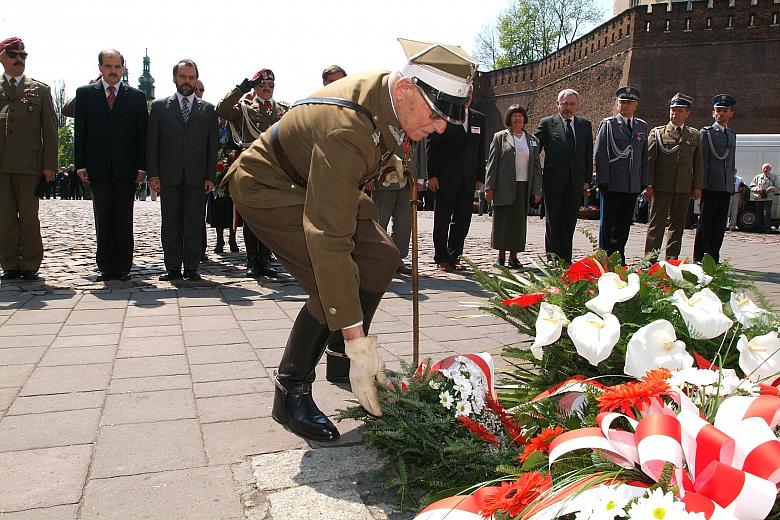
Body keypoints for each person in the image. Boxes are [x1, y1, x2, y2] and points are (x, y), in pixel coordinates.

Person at [222, 38, 475, 442]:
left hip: (312, 177)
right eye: (437, 114)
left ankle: (340, 356)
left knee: (382, 257)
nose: (442, 127)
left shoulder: (390, 93)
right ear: (408, 89)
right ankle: (291, 390)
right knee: (332, 281)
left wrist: (392, 162)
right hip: (268, 185)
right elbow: (329, 240)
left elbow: (376, 142)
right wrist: (363, 344)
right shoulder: (348, 131)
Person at [74, 49, 147, 282]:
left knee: (124, 217)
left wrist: (142, 167)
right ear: (100, 68)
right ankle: (105, 264)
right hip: (98, 167)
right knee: (103, 215)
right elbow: (81, 132)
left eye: (117, 67)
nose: (113, 71)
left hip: (127, 168)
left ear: (123, 68)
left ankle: (124, 265)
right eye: (108, 66)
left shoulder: (136, 96)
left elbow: (141, 135)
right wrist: (80, 165)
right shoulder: (85, 94)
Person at [147, 59, 217, 281]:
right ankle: (173, 267)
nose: (187, 82)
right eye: (183, 77)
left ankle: (192, 267)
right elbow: (152, 144)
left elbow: (211, 146)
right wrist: (153, 174)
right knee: (171, 223)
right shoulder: (159, 107)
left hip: (197, 176)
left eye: (191, 77)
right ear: (175, 78)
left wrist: (210, 176)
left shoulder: (207, 110)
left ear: (196, 79)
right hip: (169, 174)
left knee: (194, 222)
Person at [216, 68, 286, 278]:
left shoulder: (282, 111)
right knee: (251, 216)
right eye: (262, 86)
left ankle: (265, 259)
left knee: (270, 216)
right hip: (252, 166)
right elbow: (222, 109)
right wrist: (241, 88)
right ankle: (252, 260)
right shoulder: (245, 109)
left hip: (274, 168)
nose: (266, 89)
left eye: (270, 86)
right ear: (255, 88)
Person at [0, 37, 57, 281]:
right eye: (13, 54)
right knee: (4, 216)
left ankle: (31, 262)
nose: (19, 59)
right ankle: (9, 263)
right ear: (2, 57)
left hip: (29, 165)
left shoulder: (39, 90)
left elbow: (51, 131)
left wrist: (49, 166)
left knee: (29, 216)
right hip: (1, 164)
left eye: (23, 55)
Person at [426, 85, 485, 272]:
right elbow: (432, 146)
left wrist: (480, 176)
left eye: (470, 94)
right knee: (442, 219)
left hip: (468, 178)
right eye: (464, 93)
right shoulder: (445, 115)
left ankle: (455, 255)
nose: (467, 97)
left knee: (463, 220)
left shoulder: (478, 118)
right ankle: (441, 257)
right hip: (445, 177)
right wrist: (432, 175)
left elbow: (481, 148)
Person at [534, 88, 593, 264]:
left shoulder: (584, 125)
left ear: (577, 105)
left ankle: (566, 257)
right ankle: (552, 256)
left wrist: (586, 180)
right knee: (553, 220)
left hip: (575, 182)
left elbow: (587, 154)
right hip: (553, 181)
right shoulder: (547, 123)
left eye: (572, 104)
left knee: (569, 221)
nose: (568, 107)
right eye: (565, 103)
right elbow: (535, 150)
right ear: (558, 104)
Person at [643, 93, 704, 261]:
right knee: (657, 225)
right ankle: (650, 260)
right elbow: (650, 161)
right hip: (662, 186)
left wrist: (698, 185)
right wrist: (648, 185)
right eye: (673, 110)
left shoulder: (694, 135)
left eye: (679, 110)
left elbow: (698, 163)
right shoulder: (658, 133)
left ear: (687, 113)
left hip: (683, 187)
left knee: (678, 226)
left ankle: (672, 259)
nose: (675, 114)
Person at [594, 86, 649, 265]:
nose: (625, 106)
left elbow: (643, 156)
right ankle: (605, 256)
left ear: (636, 106)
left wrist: (643, 181)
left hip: (631, 184)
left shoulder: (641, 126)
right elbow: (600, 153)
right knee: (608, 224)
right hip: (612, 182)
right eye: (622, 103)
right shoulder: (608, 124)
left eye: (629, 103)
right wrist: (603, 179)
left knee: (624, 224)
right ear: (617, 104)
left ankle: (619, 255)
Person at [485, 104, 542, 267]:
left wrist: (537, 189)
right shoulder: (500, 137)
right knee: (502, 221)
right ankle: (501, 255)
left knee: (518, 222)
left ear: (524, 118)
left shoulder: (532, 140)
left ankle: (514, 256)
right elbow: (492, 163)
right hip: (504, 185)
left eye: (520, 116)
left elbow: (537, 167)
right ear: (509, 119)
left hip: (523, 185)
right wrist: (489, 187)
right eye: (514, 116)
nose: (517, 119)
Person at [367, 140, 425, 276]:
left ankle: (397, 259)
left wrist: (421, 177)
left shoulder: (415, 120)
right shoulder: (382, 119)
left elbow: (420, 147)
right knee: (380, 221)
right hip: (385, 178)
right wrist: (369, 176)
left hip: (409, 179)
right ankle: (377, 259)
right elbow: (372, 147)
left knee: (404, 224)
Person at [693, 94, 737, 262]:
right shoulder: (707, 133)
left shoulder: (731, 135)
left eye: (725, 111)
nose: (721, 114)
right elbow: (702, 161)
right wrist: (700, 185)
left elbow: (731, 162)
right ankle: (699, 257)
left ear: (731, 113)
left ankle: (713, 257)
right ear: (713, 113)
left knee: (719, 226)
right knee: (705, 223)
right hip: (710, 185)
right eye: (718, 110)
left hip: (725, 185)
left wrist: (731, 184)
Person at [750, 163, 778, 233]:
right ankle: (760, 228)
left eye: (767, 168)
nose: (765, 170)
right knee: (759, 213)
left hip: (768, 198)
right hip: (758, 198)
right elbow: (751, 186)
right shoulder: (758, 177)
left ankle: (767, 229)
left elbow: (778, 188)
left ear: (770, 169)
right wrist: (757, 189)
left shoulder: (774, 177)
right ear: (762, 169)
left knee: (766, 213)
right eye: (764, 168)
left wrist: (771, 188)